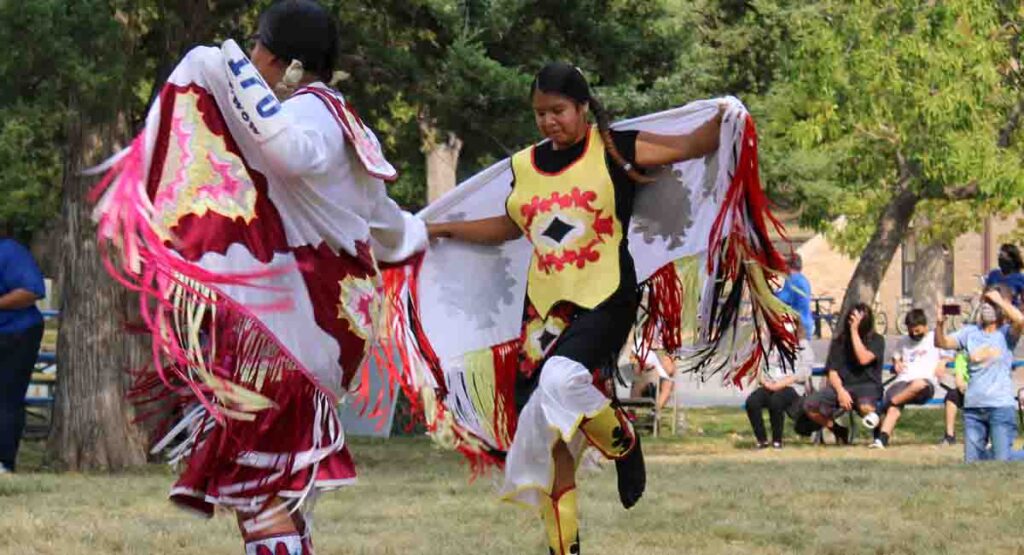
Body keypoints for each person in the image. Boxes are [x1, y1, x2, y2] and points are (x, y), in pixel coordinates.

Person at [93, 2, 427, 553]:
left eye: (258, 49)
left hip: (288, 336)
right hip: (328, 333)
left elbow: (292, 154)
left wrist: (220, 64)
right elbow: (391, 227)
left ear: (283, 61)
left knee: (256, 494)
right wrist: (427, 234)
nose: (252, 59)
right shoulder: (353, 127)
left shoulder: (305, 119)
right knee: (281, 492)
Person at [425, 63, 727, 555]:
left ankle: (621, 441)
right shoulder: (525, 165)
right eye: (540, 113)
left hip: (606, 295)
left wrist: (725, 116)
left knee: (560, 380)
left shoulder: (614, 149)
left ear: (583, 107)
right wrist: (441, 230)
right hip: (543, 312)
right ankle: (564, 550)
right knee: (551, 444)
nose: (548, 122)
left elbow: (692, 145)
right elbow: (509, 226)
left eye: (558, 111)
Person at [935, 286, 1024, 462]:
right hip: (973, 409)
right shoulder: (970, 333)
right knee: (973, 463)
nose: (986, 307)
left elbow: (1020, 321)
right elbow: (942, 343)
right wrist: (939, 323)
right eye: (985, 301)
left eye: (991, 303)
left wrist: (999, 300)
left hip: (1000, 408)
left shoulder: (1006, 333)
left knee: (1002, 461)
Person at [803, 303, 886, 444]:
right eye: (851, 319)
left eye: (858, 320)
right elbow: (832, 371)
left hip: (868, 387)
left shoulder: (877, 340)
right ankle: (838, 430)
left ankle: (880, 436)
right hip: (843, 387)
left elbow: (863, 358)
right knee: (810, 405)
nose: (853, 323)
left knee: (867, 409)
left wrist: (854, 332)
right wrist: (841, 391)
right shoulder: (839, 342)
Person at [870, 309, 948, 449]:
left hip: (924, 384)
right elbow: (896, 358)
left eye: (918, 331)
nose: (914, 334)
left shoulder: (934, 337)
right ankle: (881, 440)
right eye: (911, 331)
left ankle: (880, 409)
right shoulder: (903, 341)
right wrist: (896, 363)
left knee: (918, 384)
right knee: (894, 403)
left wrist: (943, 362)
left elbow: (949, 354)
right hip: (903, 381)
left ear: (925, 326)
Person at [0, 235, 46, 474]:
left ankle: (4, 462)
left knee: (7, 397)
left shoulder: (9, 252)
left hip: (17, 333)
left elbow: (31, 290)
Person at [744, 320, 815, 449]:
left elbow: (805, 372)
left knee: (776, 401)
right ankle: (762, 440)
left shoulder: (802, 345)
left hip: (791, 387)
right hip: (769, 384)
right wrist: (764, 381)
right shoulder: (770, 343)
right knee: (752, 402)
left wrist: (781, 384)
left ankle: (777, 441)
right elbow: (757, 366)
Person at [777, 253, 814, 340]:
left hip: (799, 325)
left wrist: (770, 293)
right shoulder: (803, 279)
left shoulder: (792, 280)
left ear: (788, 266)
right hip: (807, 321)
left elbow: (783, 299)